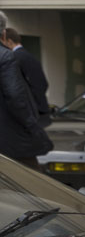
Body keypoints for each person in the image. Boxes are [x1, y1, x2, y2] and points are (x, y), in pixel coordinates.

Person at [0, 11, 52, 170]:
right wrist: (31, 125)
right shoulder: (6, 57)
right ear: (3, 33)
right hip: (11, 137)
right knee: (32, 186)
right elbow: (15, 96)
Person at [2, 27, 50, 127]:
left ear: (9, 41)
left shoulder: (13, 58)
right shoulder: (30, 57)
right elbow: (43, 83)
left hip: (29, 112)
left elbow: (15, 89)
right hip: (41, 109)